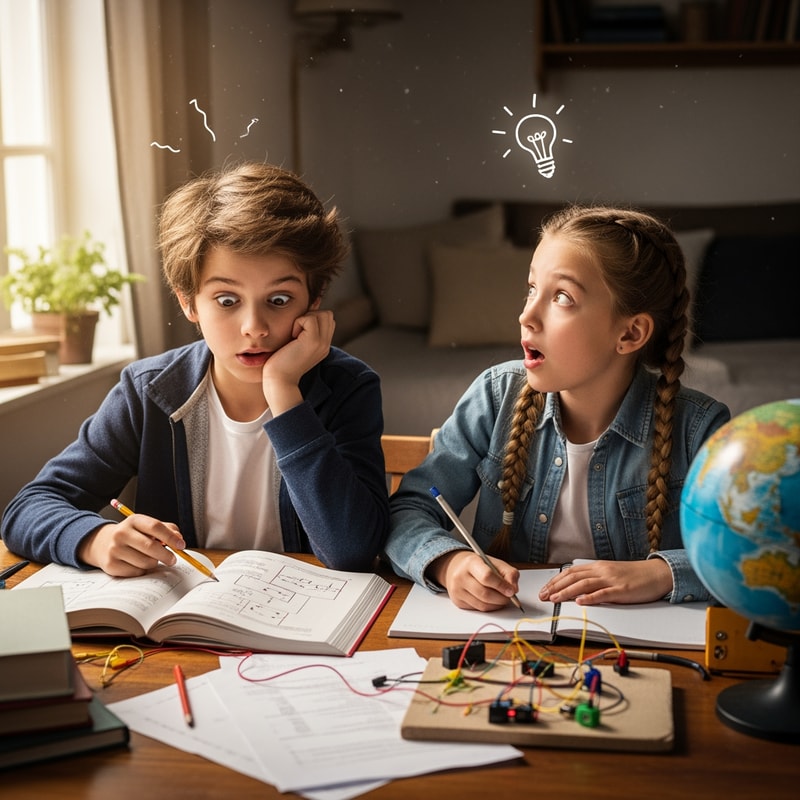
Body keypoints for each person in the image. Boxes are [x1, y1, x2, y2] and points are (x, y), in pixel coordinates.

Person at [1, 162, 389, 575]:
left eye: (278, 300)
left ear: (314, 299)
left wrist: (283, 391)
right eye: (226, 300)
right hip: (177, 630)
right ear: (188, 302)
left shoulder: (349, 387)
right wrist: (93, 539)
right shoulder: (149, 390)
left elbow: (352, 549)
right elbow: (27, 508)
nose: (253, 328)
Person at [383, 204, 730, 610]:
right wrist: (448, 562)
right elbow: (410, 508)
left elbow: (748, 554)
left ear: (631, 333)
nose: (526, 315)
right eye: (532, 289)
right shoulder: (496, 397)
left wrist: (658, 573)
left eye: (562, 297)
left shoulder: (698, 428)